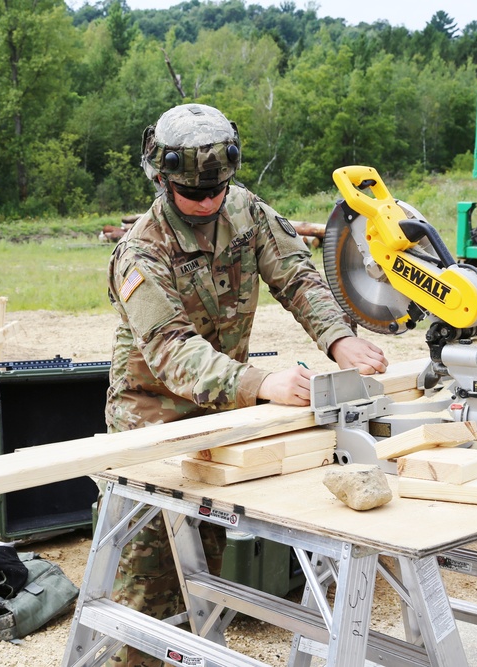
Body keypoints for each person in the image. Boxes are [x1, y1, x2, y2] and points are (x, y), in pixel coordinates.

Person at [105, 103, 388, 666]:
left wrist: (338, 339)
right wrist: (261, 383)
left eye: (217, 189)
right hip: (152, 418)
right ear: (161, 179)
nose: (208, 203)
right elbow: (171, 350)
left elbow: (297, 275)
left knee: (203, 565)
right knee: (147, 580)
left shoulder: (245, 211)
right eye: (193, 193)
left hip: (222, 413)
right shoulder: (140, 251)